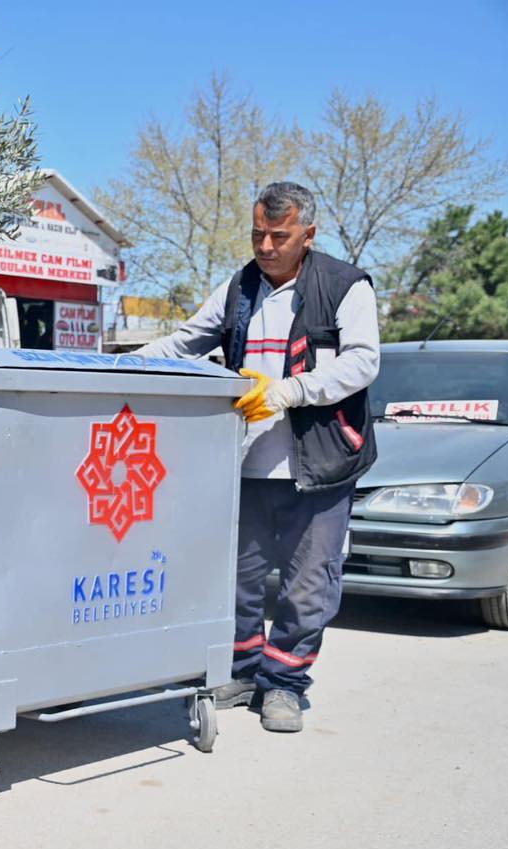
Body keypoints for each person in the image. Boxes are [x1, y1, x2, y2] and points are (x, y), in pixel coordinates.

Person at [138, 181, 379, 733]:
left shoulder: (345, 287)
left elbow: (363, 363)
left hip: (320, 467)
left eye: (279, 235)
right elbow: (182, 344)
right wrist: (110, 365)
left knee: (307, 585)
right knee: (238, 581)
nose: (265, 246)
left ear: (308, 235)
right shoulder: (237, 287)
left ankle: (285, 684)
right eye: (257, 234)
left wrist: (287, 390)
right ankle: (241, 670)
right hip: (245, 466)